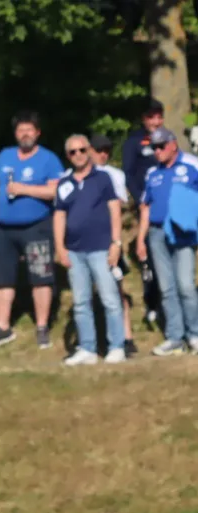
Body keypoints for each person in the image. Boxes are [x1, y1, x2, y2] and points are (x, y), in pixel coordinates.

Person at [0, 111, 64, 352]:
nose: (25, 134)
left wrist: (24, 189)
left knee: (41, 277)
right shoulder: (4, 156)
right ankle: (3, 327)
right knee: (3, 278)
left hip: (36, 227)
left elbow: (55, 191)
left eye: (29, 129)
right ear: (16, 133)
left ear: (37, 132)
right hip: (4, 230)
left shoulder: (48, 159)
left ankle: (41, 327)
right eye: (21, 130)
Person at [54, 134, 125, 366]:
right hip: (74, 251)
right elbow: (59, 215)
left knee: (110, 298)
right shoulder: (64, 183)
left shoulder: (103, 178)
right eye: (73, 152)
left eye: (82, 150)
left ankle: (116, 346)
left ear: (89, 151)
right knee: (81, 301)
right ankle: (87, 348)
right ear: (68, 156)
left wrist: (116, 243)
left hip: (101, 249)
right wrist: (60, 248)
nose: (78, 155)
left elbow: (115, 210)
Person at [136, 128, 198, 356]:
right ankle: (174, 337)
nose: (158, 151)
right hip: (157, 232)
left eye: (161, 146)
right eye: (154, 147)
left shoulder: (192, 164)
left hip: (183, 231)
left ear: (173, 144)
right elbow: (146, 206)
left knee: (185, 285)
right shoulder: (153, 173)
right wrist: (140, 239)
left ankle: (195, 333)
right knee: (166, 287)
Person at [89, 133, 137, 356]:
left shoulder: (114, 174)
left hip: (109, 240)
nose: (103, 154)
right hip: (84, 242)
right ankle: (92, 341)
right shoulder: (73, 175)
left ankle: (127, 337)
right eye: (99, 150)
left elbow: (121, 203)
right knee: (86, 294)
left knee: (117, 289)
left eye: (106, 150)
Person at [122, 98, 164, 326]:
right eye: (151, 117)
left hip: (170, 208)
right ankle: (152, 303)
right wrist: (140, 201)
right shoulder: (134, 142)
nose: (156, 121)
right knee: (151, 258)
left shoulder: (169, 139)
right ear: (143, 119)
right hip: (147, 207)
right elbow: (128, 174)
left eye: (159, 116)